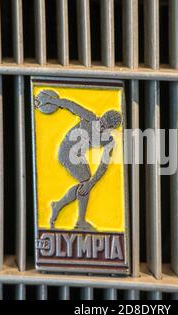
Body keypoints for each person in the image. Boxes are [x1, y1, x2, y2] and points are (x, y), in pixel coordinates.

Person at [35, 90, 122, 230]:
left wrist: (92, 183)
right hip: (66, 151)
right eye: (101, 122)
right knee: (85, 180)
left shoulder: (108, 141)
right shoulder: (89, 117)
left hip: (77, 156)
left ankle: (59, 207)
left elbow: (103, 166)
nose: (100, 126)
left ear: (111, 129)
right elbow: (70, 105)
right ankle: (76, 218)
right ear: (101, 117)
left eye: (105, 127)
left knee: (86, 183)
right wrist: (50, 101)